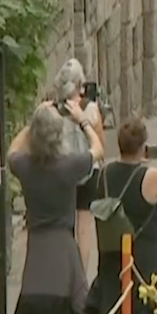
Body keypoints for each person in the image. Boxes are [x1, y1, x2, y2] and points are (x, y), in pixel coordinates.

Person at [8, 96, 103, 314]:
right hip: (63, 247)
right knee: (79, 303)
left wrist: (34, 122)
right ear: (60, 135)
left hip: (37, 250)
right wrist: (83, 121)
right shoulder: (69, 165)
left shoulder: (25, 166)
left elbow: (12, 151)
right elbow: (97, 149)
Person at [85, 120, 157, 314]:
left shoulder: (104, 174)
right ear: (143, 147)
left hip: (111, 260)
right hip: (143, 261)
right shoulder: (149, 177)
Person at [45, 58, 105, 274]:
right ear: (79, 86)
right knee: (84, 230)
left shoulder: (52, 112)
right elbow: (101, 144)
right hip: (88, 168)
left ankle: (65, 275)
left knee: (65, 227)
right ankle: (81, 276)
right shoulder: (90, 109)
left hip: (63, 171)